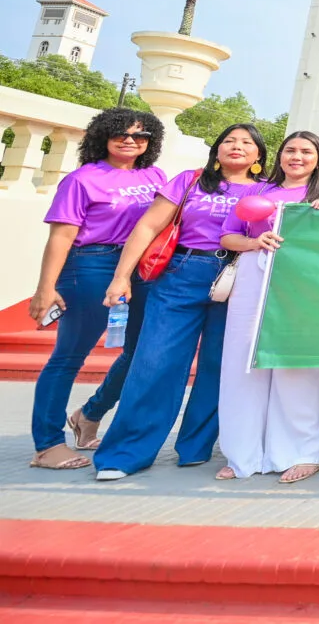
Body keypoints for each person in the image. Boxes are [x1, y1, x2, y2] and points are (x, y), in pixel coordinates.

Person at [91, 124, 265, 480]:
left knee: (219, 366)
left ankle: (195, 448)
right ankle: (125, 453)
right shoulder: (190, 180)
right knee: (155, 362)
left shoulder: (268, 190)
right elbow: (147, 227)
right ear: (216, 150)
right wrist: (121, 276)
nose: (237, 146)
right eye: (228, 140)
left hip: (238, 278)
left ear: (259, 156)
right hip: (182, 272)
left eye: (247, 143)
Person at [27, 108, 167, 470]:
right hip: (90, 265)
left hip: (141, 268)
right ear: (102, 136)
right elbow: (61, 235)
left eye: (140, 136)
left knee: (139, 352)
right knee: (69, 356)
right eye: (120, 133)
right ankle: (47, 444)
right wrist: (45, 287)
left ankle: (90, 413)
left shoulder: (155, 176)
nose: (130, 140)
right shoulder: (82, 179)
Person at [217, 130, 319, 482]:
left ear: (318, 158)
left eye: (306, 152)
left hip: (303, 281)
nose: (297, 157)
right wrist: (255, 241)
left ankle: (304, 451)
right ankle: (242, 454)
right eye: (290, 150)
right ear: (279, 156)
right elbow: (227, 236)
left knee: (296, 363)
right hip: (254, 275)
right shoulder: (257, 191)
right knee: (243, 359)